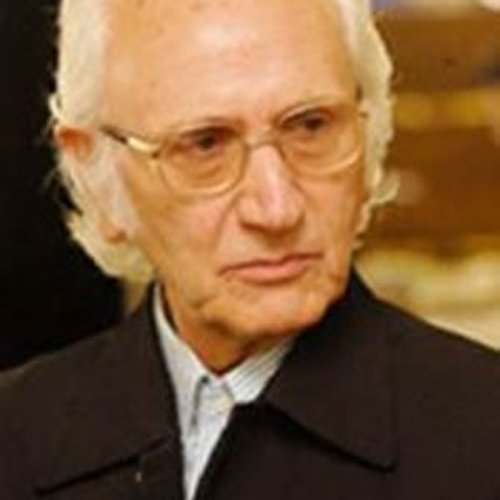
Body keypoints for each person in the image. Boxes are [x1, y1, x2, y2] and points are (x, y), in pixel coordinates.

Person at [1, 0, 499, 498]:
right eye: (205, 144)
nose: (277, 209)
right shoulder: (16, 439)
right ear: (96, 175)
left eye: (310, 126)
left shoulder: (481, 434)